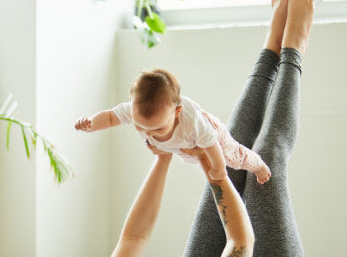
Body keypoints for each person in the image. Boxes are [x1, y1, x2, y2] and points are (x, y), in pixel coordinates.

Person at [47, 0, 314, 257]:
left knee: (227, 139)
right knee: (268, 158)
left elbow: (133, 238)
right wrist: (219, 176)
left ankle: (269, 47)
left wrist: (164, 156)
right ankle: (294, 50)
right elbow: (241, 241)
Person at [75, 61, 270, 186]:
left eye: (157, 128)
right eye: (140, 125)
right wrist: (91, 123)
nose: (148, 133)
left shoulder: (191, 121)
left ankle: (258, 164)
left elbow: (211, 146)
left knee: (232, 157)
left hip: (212, 136)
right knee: (194, 159)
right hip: (182, 147)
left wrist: (219, 170)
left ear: (176, 113)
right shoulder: (135, 109)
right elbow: (110, 117)